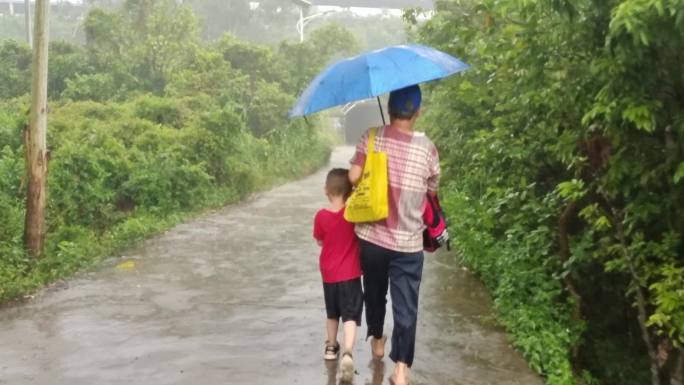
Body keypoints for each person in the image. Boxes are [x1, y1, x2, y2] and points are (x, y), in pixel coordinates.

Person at [349, 85, 440, 385]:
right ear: (417, 113)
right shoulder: (427, 148)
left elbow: (353, 177)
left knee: (374, 295)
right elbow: (432, 191)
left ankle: (377, 341)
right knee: (406, 306)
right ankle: (400, 369)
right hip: (408, 243)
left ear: (389, 109)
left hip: (372, 240)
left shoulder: (371, 137)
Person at [313, 168, 363, 383]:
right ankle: (348, 353)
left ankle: (331, 347)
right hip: (350, 274)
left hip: (329, 275)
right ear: (350, 192)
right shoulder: (353, 215)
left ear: (326, 190)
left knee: (332, 314)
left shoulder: (321, 216)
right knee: (350, 316)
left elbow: (319, 241)